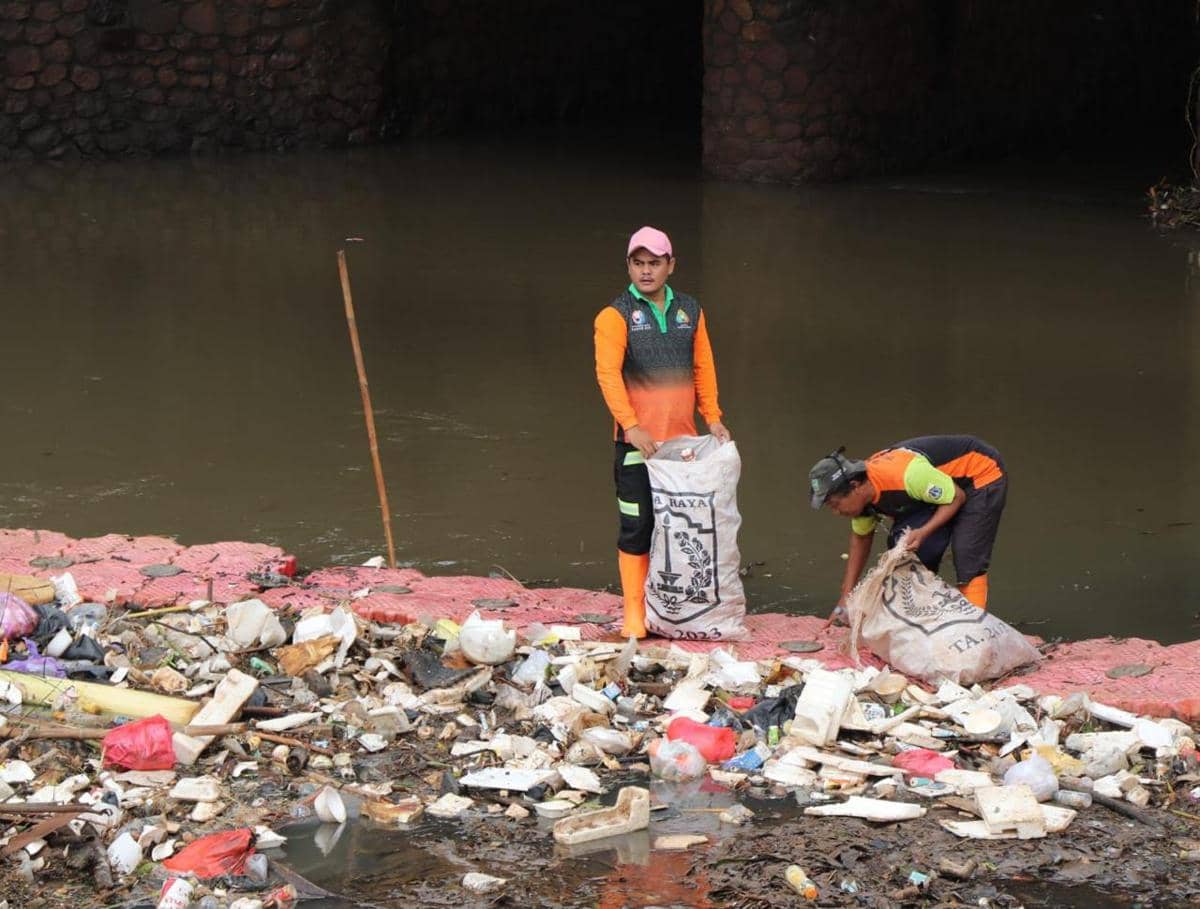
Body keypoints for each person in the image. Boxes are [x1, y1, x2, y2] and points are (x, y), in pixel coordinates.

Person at [593, 226, 730, 638]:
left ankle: (674, 608)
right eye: (638, 263)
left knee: (681, 530)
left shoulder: (691, 310)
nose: (646, 271)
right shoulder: (614, 316)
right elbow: (607, 374)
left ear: (671, 266)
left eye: (654, 263)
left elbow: (703, 366)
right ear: (629, 266)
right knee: (638, 525)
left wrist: (714, 416)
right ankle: (634, 615)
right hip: (636, 446)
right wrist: (631, 426)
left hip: (682, 447)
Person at [808, 434, 1007, 619]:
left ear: (854, 486)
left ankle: (973, 626)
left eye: (835, 504)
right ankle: (923, 618)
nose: (836, 512)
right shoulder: (862, 501)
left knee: (967, 553)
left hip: (978, 475)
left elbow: (956, 497)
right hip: (937, 489)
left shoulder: (905, 475)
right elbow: (861, 538)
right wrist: (846, 597)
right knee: (904, 549)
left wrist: (923, 531)